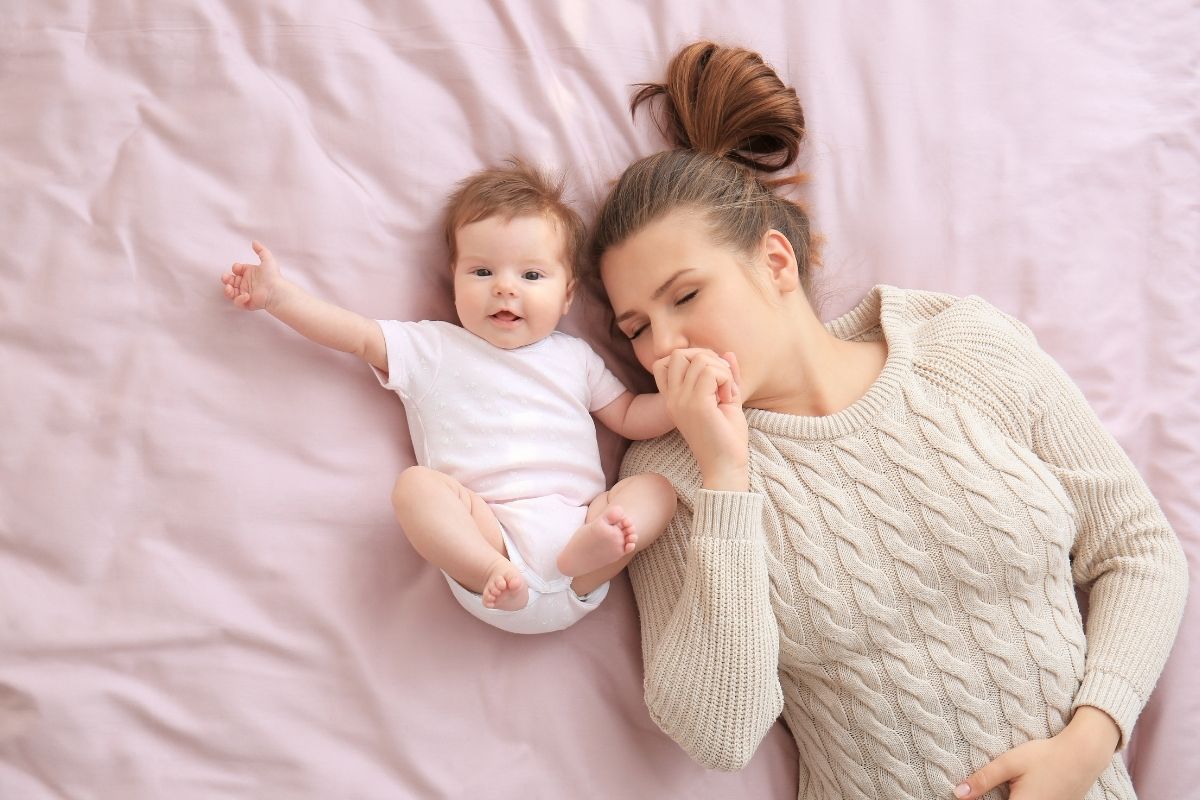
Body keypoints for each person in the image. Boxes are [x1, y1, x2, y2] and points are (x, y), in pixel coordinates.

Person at [584, 42, 1188, 799]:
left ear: (774, 264)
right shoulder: (670, 478)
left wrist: (1088, 742)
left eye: (686, 297)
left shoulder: (964, 348)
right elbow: (720, 731)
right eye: (637, 327)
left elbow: (1138, 550)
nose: (664, 347)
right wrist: (726, 478)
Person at [219, 161, 711, 635]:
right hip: (490, 537)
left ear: (567, 296)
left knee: (656, 488)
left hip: (581, 536)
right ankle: (492, 571)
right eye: (481, 272)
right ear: (453, 278)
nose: (504, 289)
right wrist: (279, 297)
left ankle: (591, 551)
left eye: (531, 276)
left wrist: (682, 401)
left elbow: (627, 414)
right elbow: (355, 335)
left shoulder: (575, 357)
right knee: (416, 488)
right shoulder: (433, 347)